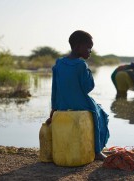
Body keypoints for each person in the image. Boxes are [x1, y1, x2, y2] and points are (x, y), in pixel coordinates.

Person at [47, 30, 109, 161]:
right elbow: (88, 88)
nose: (90, 51)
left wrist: (53, 109)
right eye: (88, 47)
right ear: (78, 46)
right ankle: (97, 150)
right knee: (99, 113)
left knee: (97, 110)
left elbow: (55, 89)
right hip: (80, 103)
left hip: (62, 104)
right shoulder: (81, 65)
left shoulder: (58, 63)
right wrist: (88, 71)